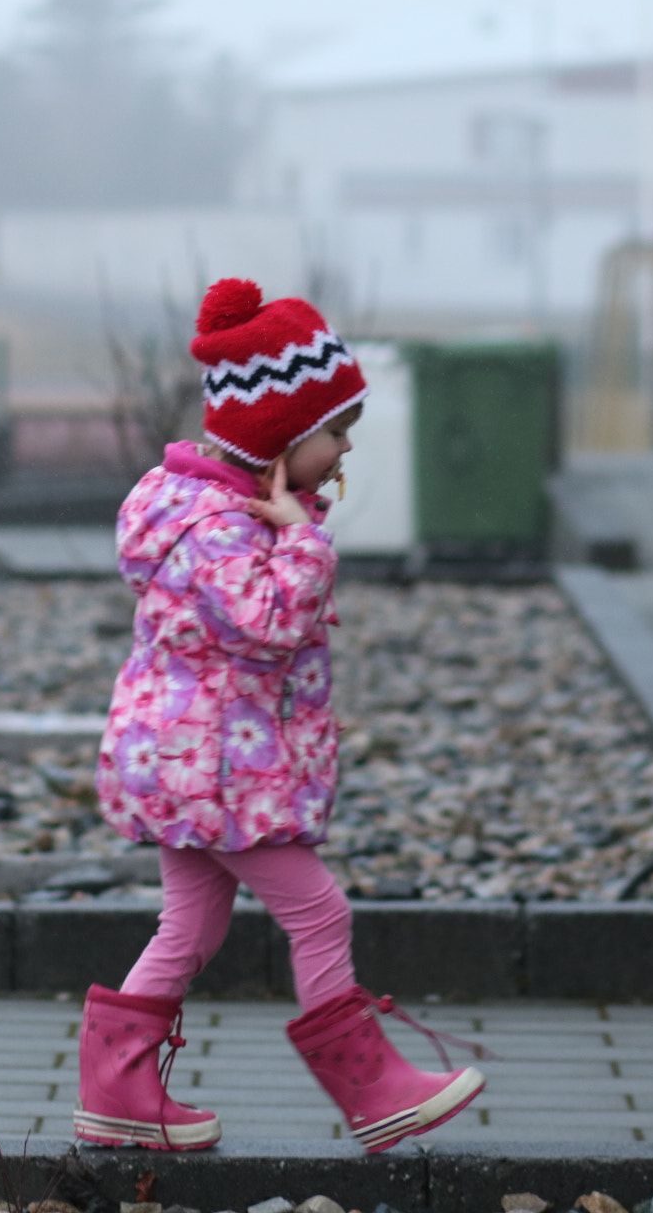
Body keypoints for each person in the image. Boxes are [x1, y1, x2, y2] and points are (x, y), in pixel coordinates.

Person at [74, 277, 485, 1155]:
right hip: (210, 765)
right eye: (334, 433)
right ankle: (374, 1091)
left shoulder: (215, 509)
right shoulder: (218, 523)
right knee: (319, 913)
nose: (342, 454)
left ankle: (117, 1087)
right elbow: (263, 624)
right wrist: (302, 538)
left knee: (191, 925)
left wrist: (292, 525)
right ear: (279, 436)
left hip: (204, 760)